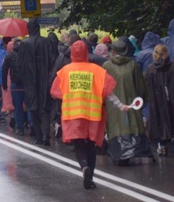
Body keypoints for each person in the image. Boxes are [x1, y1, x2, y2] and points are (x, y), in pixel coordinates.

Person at [50, 40, 133, 189]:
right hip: (93, 113)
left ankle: (84, 167)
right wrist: (121, 105)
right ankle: (91, 177)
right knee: (91, 146)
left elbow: (55, 91)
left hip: (73, 113)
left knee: (79, 144)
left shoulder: (65, 71)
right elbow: (109, 92)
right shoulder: (97, 70)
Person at [103, 39, 154, 164]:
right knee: (132, 125)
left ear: (113, 52)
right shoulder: (133, 65)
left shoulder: (107, 66)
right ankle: (136, 150)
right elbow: (141, 87)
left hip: (113, 105)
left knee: (116, 127)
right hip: (131, 104)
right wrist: (140, 100)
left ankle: (118, 154)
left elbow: (102, 88)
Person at [17, 17, 57, 145]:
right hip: (45, 79)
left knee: (33, 107)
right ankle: (45, 135)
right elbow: (53, 60)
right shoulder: (46, 42)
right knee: (45, 107)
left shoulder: (24, 44)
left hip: (30, 81)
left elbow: (20, 65)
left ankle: (39, 136)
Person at [144, 44, 174, 156]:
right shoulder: (173, 67)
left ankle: (162, 146)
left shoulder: (150, 69)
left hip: (156, 100)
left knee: (159, 122)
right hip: (172, 98)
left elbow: (146, 85)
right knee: (173, 118)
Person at [2, 39, 33, 135]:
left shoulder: (9, 56)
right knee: (29, 106)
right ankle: (32, 125)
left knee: (18, 107)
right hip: (27, 85)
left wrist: (4, 85)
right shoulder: (28, 56)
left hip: (15, 85)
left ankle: (20, 128)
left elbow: (4, 71)